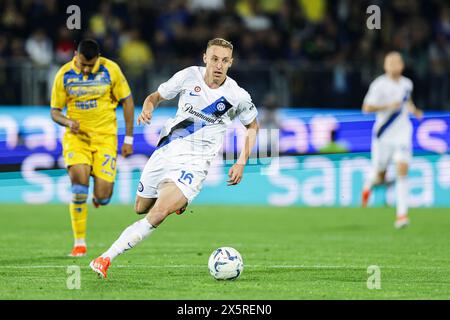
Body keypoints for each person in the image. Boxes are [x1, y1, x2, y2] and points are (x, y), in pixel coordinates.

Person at [89, 38, 259, 278]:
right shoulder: (189, 76)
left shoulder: (237, 96)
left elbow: (253, 126)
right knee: (141, 207)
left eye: (224, 60)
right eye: (214, 59)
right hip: (166, 151)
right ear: (205, 58)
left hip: (194, 164)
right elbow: (154, 97)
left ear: (231, 63)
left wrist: (241, 161)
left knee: (157, 214)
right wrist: (148, 108)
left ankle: (105, 258)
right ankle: (179, 202)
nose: (218, 65)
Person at [50, 39, 135, 257]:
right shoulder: (64, 74)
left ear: (98, 58)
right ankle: (79, 242)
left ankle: (99, 198)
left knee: (104, 196)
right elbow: (55, 111)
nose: (86, 69)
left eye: (90, 65)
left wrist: (129, 139)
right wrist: (68, 122)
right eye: (83, 64)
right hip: (77, 138)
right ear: (76, 55)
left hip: (106, 138)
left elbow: (127, 101)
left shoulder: (110, 69)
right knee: (79, 182)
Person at [361, 51, 423, 229]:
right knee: (380, 176)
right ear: (385, 66)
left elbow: (407, 102)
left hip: (402, 133)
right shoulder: (379, 85)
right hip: (383, 136)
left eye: (397, 62)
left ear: (402, 65)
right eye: (390, 62)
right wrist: (389, 106)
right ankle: (370, 182)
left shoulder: (407, 83)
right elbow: (366, 108)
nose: (394, 65)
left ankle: (402, 215)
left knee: (402, 170)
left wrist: (414, 110)